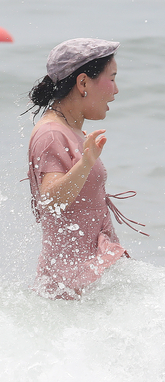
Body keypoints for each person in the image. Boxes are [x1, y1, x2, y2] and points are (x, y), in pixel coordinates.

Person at [24, 38, 146, 300]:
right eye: (111, 78)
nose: (116, 90)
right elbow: (51, 202)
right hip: (70, 287)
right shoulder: (51, 133)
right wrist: (86, 163)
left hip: (87, 281)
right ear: (82, 83)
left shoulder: (70, 128)